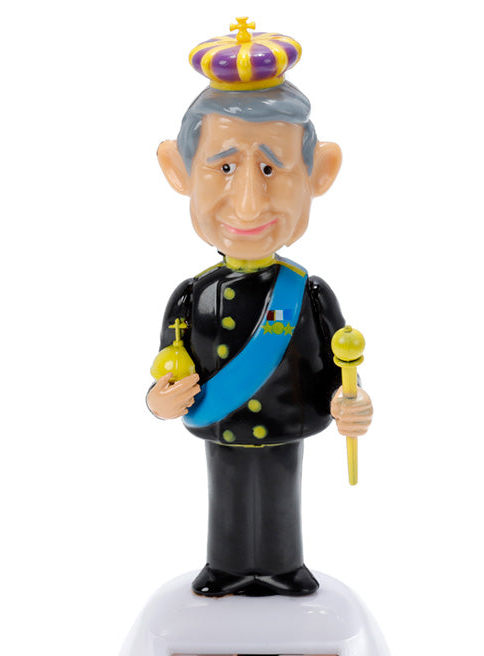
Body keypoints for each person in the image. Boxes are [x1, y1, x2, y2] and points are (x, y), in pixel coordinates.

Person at [147, 19, 373, 597]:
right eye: (224, 167)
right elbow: (168, 364)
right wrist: (160, 399)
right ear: (178, 172)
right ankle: (226, 567)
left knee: (280, 497)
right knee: (225, 498)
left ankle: (280, 565)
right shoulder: (191, 296)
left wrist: (349, 401)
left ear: (320, 174)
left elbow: (340, 368)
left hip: (284, 424)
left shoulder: (308, 294)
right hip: (222, 425)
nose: (248, 203)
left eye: (271, 168)